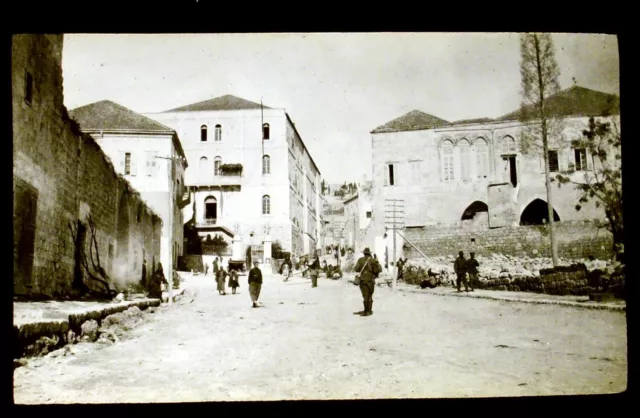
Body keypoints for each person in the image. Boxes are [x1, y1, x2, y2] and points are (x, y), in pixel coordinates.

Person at [353, 248, 382, 317]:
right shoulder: (373, 260)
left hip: (363, 280)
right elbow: (379, 270)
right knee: (370, 296)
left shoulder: (360, 260)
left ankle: (366, 312)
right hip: (371, 281)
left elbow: (356, 269)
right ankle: (370, 310)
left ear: (364, 253)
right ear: (369, 253)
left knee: (365, 296)